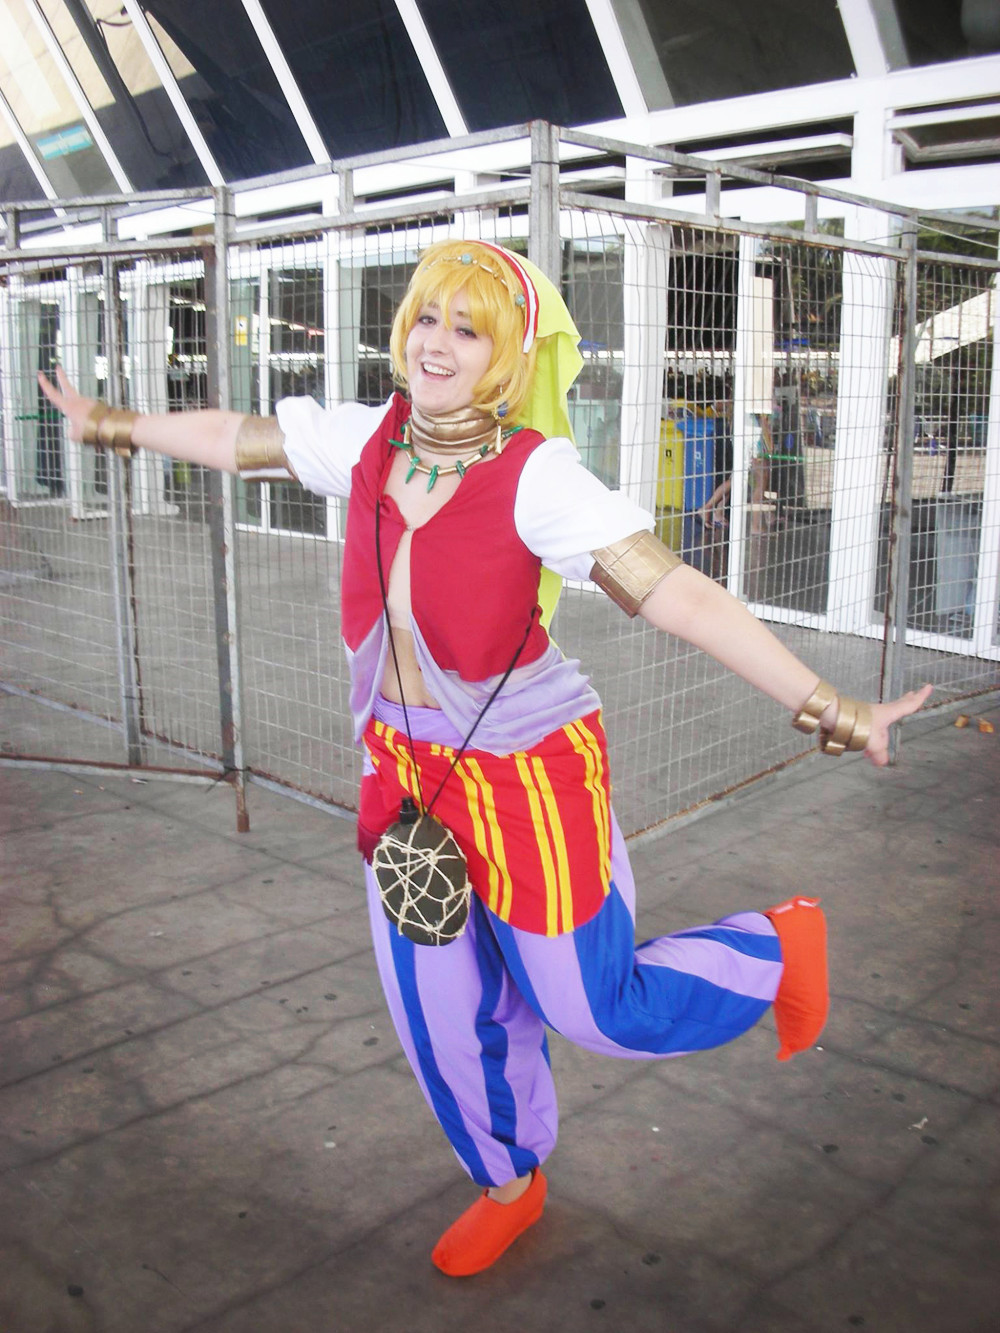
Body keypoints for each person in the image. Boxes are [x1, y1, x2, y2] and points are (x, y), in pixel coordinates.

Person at [39, 239, 931, 1279]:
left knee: (592, 1008)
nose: (437, 343)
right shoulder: (369, 439)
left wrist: (831, 704)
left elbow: (678, 594)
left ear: (505, 354)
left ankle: (773, 949)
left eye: (468, 329)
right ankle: (510, 1180)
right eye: (427, 317)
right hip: (402, 774)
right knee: (441, 1013)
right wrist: (110, 423)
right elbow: (237, 437)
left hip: (525, 772)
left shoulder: (534, 475)